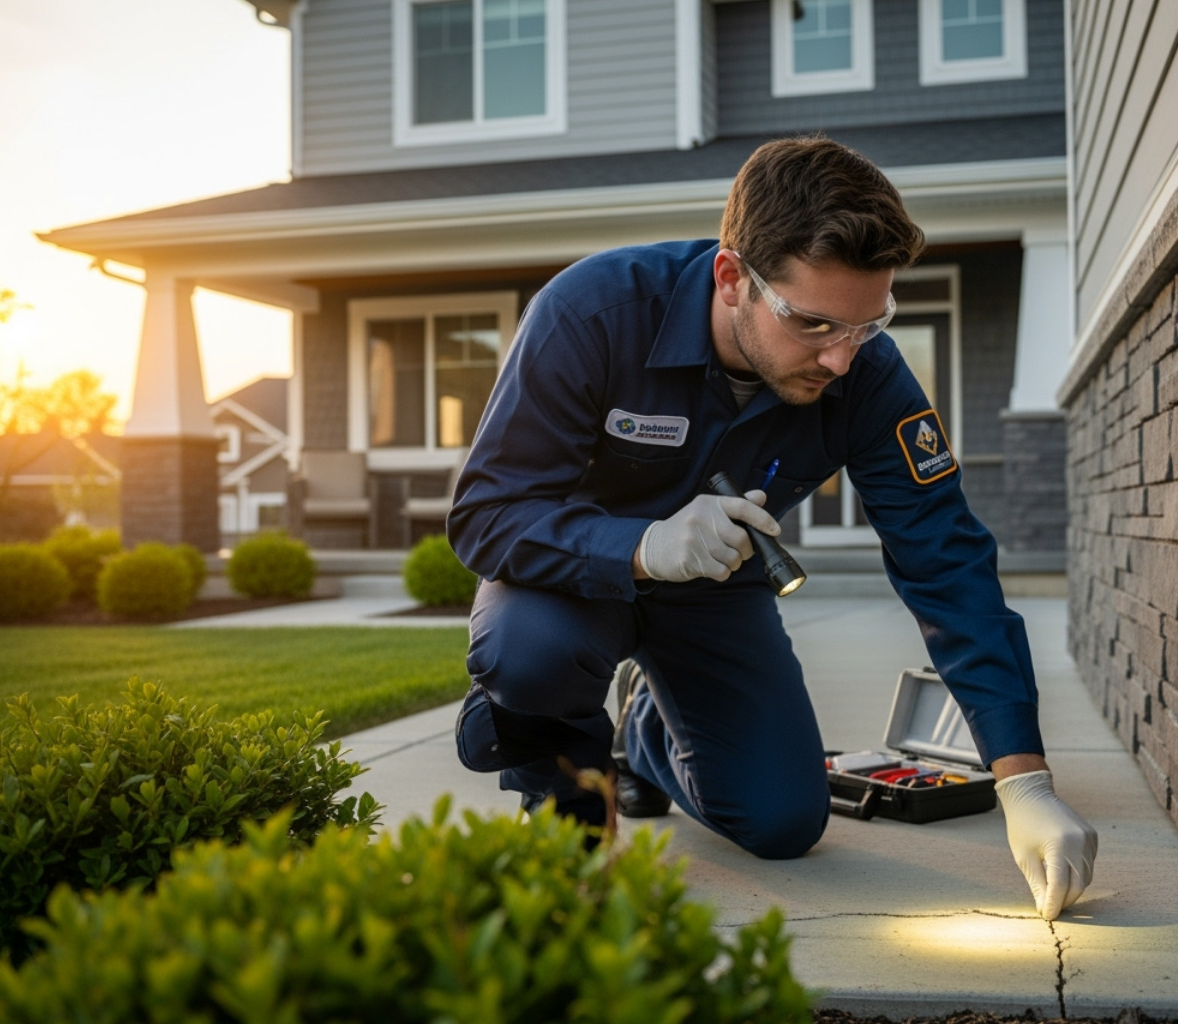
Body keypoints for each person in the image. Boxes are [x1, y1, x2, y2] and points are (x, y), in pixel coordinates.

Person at [448, 136, 1098, 920]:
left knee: (784, 821)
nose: (841, 360)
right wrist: (641, 547)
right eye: (815, 324)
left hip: (717, 593)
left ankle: (644, 735)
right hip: (575, 583)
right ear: (733, 279)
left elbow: (947, 561)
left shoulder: (867, 373)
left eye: (867, 324)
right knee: (529, 654)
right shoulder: (592, 314)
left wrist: (1022, 780)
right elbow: (486, 514)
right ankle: (565, 795)